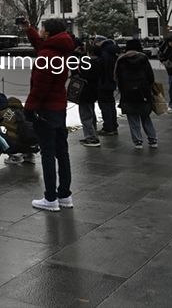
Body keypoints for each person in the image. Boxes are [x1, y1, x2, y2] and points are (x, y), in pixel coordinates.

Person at [22, 18, 75, 212]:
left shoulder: (46, 56)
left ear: (49, 33)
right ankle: (65, 195)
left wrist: (28, 108)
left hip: (46, 110)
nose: (41, 31)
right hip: (59, 107)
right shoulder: (60, 49)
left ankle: (50, 198)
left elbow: (40, 88)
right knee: (62, 152)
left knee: (48, 153)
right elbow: (41, 46)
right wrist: (30, 30)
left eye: (43, 28)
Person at [115, 39, 158, 148]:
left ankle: (137, 141)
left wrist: (122, 89)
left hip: (128, 92)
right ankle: (152, 139)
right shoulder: (143, 59)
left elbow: (118, 77)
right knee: (145, 116)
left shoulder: (121, 60)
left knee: (132, 117)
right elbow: (150, 76)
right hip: (143, 91)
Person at [93, 36, 121, 136]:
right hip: (111, 82)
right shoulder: (112, 52)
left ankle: (108, 127)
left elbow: (100, 69)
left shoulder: (103, 53)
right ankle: (113, 125)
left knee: (104, 105)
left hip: (103, 82)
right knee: (110, 104)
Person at [76, 43, 103, 148]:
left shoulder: (87, 63)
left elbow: (76, 71)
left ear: (90, 52)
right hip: (94, 91)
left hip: (85, 92)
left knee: (85, 115)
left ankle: (91, 138)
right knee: (91, 114)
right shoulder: (100, 61)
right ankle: (92, 135)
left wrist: (76, 54)